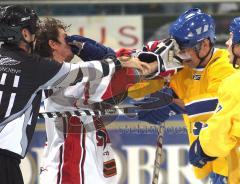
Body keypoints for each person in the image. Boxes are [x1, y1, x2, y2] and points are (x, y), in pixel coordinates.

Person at [0, 5, 149, 183]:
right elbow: (114, 78)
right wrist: (114, 59)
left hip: (76, 168)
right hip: (69, 171)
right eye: (67, 39)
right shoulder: (53, 78)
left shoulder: (37, 73)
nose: (73, 43)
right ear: (53, 44)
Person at [136, 8, 236, 183]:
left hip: (231, 156)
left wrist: (171, 105)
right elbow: (148, 91)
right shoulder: (182, 70)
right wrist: (151, 78)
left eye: (186, 49)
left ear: (204, 44)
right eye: (178, 49)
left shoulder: (224, 65)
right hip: (212, 157)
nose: (181, 55)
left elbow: (217, 105)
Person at [189, 17, 240, 184]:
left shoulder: (235, 83)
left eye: (232, 38)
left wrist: (201, 148)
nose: (227, 43)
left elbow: (219, 133)